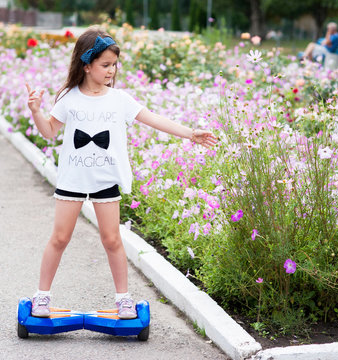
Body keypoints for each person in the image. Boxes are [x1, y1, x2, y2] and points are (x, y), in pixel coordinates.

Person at [25, 26, 218, 319]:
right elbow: (50, 132)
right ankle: (41, 297)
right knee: (60, 238)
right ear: (86, 65)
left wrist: (191, 133)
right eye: (105, 65)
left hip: (105, 179)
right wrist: (36, 111)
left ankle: (123, 300)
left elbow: (153, 119)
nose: (112, 70)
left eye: (114, 64)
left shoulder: (120, 99)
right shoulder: (69, 98)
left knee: (113, 240)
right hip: (73, 179)